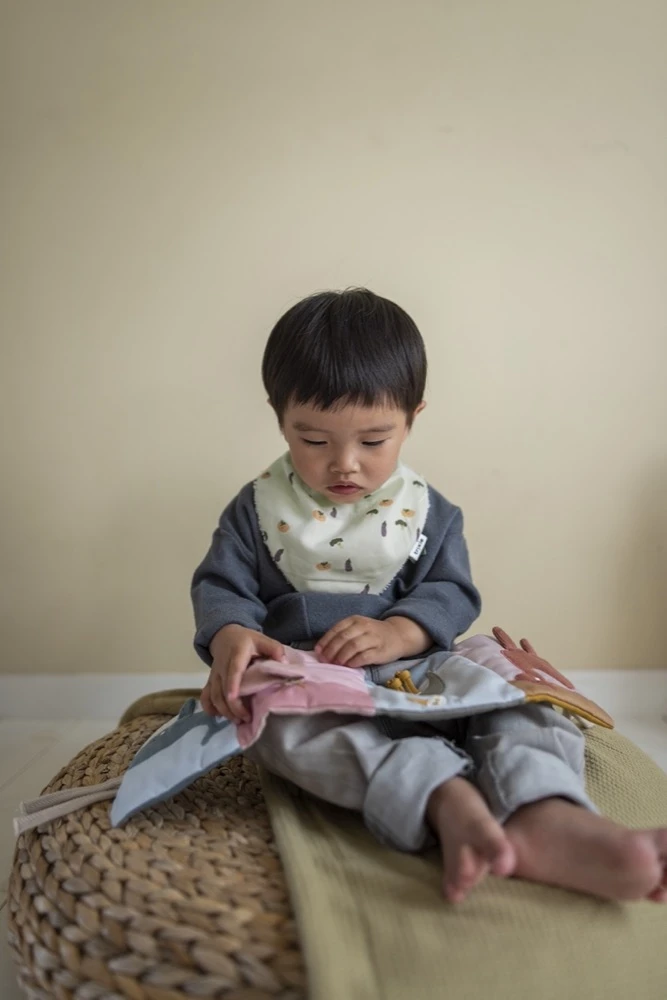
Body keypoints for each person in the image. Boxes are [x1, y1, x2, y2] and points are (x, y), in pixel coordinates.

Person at [192, 288, 667, 904]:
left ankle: (543, 809)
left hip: (423, 669)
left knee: (514, 695)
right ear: (279, 416)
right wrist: (232, 634)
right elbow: (221, 586)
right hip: (312, 678)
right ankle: (442, 796)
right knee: (270, 720)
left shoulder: (427, 512)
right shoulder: (255, 510)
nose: (344, 464)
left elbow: (451, 589)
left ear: (413, 417)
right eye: (313, 441)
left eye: (373, 441)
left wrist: (401, 631)